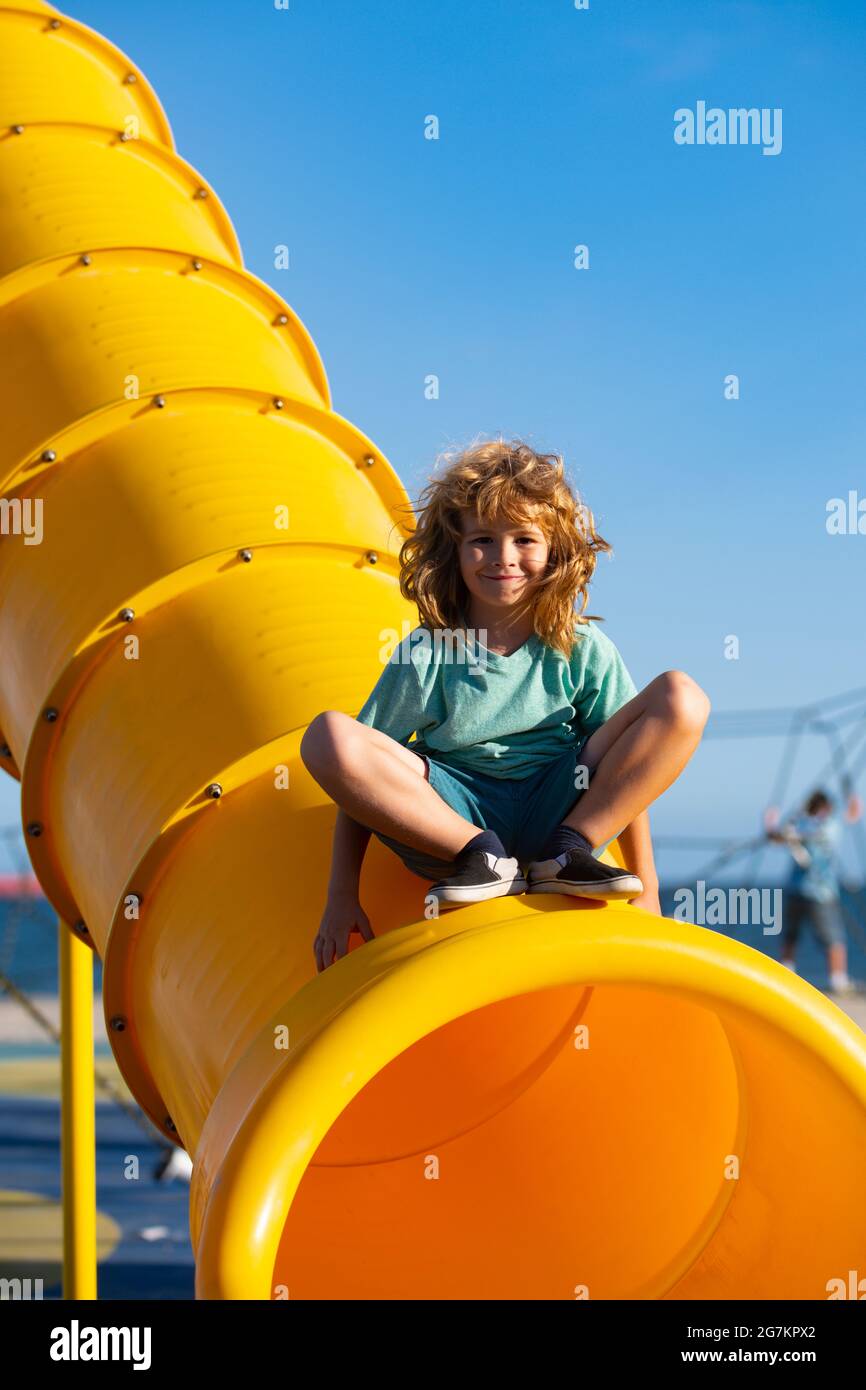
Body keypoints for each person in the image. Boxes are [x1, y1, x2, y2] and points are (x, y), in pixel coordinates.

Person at [301, 439, 711, 972]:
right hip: (457, 818)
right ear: (454, 550)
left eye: (524, 539)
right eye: (482, 540)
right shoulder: (431, 651)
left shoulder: (579, 647)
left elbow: (629, 767)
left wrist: (648, 887)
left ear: (555, 550)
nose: (503, 558)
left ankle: (569, 853)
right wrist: (340, 898)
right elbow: (354, 780)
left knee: (681, 696)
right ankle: (483, 857)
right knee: (329, 735)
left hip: (561, 804)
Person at [765, 789, 862, 995]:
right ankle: (838, 979)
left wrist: (772, 824)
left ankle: (788, 973)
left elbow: (779, 837)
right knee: (832, 937)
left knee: (793, 935)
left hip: (800, 889)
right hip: (820, 891)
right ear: (826, 808)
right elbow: (852, 816)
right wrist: (853, 800)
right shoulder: (830, 825)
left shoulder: (802, 824)